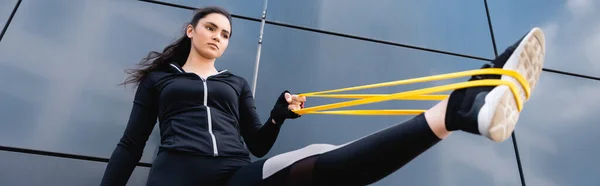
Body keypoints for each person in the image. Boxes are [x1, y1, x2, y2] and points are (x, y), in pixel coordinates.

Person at [100, 6, 545, 186]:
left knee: (316, 156)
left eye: (226, 33)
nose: (219, 36)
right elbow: (129, 145)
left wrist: (277, 116)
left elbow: (256, 142)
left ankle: (456, 110)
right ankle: (464, 104)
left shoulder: (235, 83)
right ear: (191, 31)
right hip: (177, 176)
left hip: (236, 174)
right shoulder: (161, 80)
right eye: (211, 28)